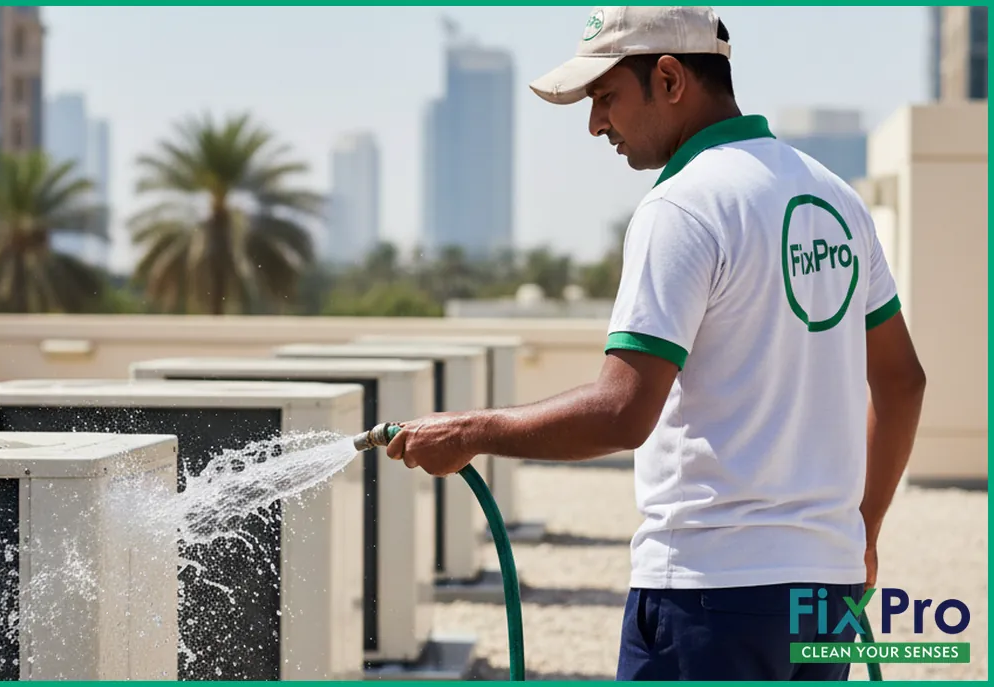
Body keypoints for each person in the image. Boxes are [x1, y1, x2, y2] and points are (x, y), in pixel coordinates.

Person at [384, 6, 927, 681]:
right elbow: (904, 383)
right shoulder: (836, 198)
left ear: (669, 79)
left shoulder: (682, 206)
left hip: (708, 595)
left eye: (606, 97)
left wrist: (474, 429)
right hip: (825, 593)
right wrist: (863, 532)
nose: (595, 124)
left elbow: (623, 410)